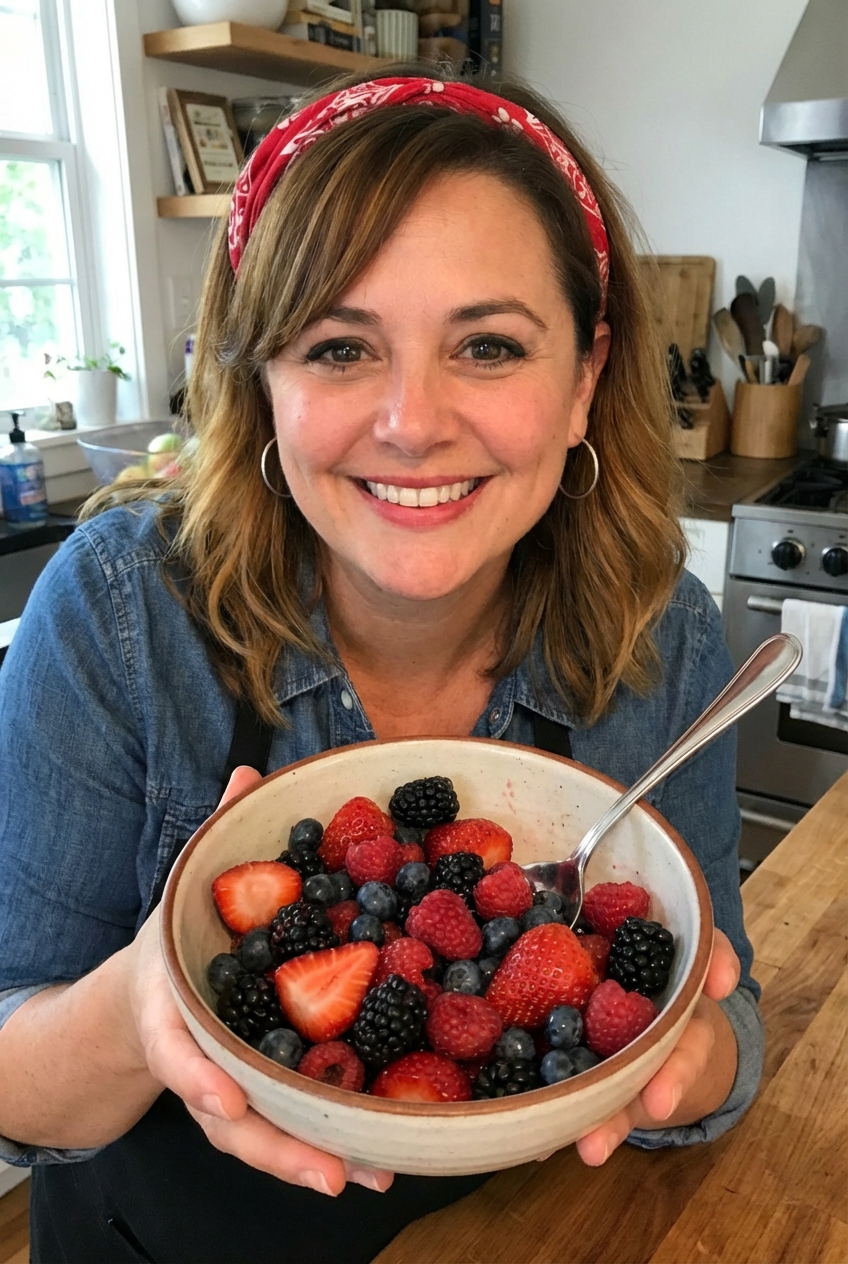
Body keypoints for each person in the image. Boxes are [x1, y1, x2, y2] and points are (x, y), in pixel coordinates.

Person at [0, 66, 763, 1264]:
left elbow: (728, 1034)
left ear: (582, 379)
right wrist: (139, 1006)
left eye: (488, 346)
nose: (411, 422)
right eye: (340, 347)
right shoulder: (119, 613)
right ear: (261, 381)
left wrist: (685, 1053)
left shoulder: (663, 633)